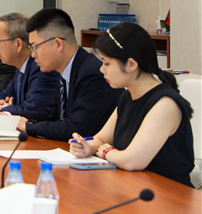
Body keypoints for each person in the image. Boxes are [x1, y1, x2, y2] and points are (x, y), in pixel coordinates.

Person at [70, 23, 195, 186]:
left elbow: (132, 161)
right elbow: (101, 138)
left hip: (168, 192)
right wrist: (87, 146)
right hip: (134, 185)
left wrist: (107, 152)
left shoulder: (165, 104)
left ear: (131, 64)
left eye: (107, 63)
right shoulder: (128, 95)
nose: (101, 69)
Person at [19, 8, 121, 139]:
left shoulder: (91, 74)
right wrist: (13, 118)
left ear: (58, 44)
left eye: (35, 47)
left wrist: (28, 126)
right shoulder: (64, 71)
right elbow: (50, 114)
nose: (33, 55)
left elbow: (75, 129)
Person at [0, 13, 59, 122]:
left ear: (18, 44)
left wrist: (5, 108)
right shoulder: (20, 68)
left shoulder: (41, 68)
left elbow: (33, 110)